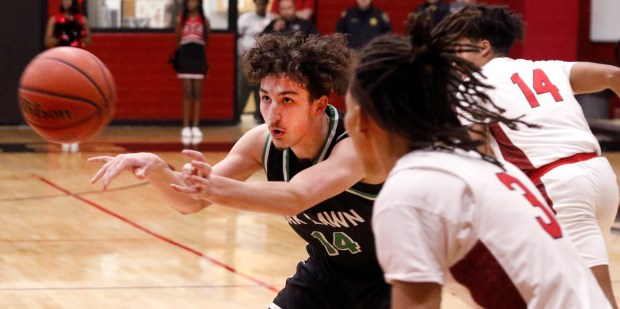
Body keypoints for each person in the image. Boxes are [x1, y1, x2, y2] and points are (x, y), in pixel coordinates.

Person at [89, 32, 390, 308]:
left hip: (389, 277)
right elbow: (190, 201)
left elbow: (297, 196)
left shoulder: (355, 144)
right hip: (327, 273)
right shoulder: (260, 143)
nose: (273, 114)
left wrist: (213, 188)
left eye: (287, 100)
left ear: (318, 105)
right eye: (265, 98)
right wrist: (156, 168)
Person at [343, 16, 612, 308]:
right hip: (597, 174)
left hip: (556, 181)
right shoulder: (489, 167)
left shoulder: (409, 193)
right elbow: (612, 75)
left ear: (362, 120)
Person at [436, 5, 620, 307]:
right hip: (602, 181)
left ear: (483, 46)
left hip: (558, 188)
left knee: (594, 299)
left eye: (457, 47)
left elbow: (480, 161)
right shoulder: (546, 67)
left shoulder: (473, 87)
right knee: (569, 289)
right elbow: (614, 75)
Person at [44, 0, 92, 153]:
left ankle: (76, 135)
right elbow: (47, 40)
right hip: (61, 64)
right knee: (62, 100)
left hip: (78, 63)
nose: (66, 1)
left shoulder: (82, 20)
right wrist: (61, 38)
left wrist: (76, 39)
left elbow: (89, 40)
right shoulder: (55, 20)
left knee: (77, 101)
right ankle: (64, 135)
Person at [175, 0, 210, 144]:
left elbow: (207, 38)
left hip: (199, 56)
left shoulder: (204, 20)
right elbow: (178, 39)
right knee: (187, 93)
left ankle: (195, 125)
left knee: (197, 93)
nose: (191, 3)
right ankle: (185, 126)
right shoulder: (180, 20)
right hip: (185, 56)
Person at [237, 0, 273, 124]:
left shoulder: (271, 19)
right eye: (259, 3)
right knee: (243, 88)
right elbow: (237, 37)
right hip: (246, 59)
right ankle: (237, 115)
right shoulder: (245, 19)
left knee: (261, 88)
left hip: (263, 61)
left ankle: (259, 116)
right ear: (255, 4)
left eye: (263, 3)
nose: (261, 6)